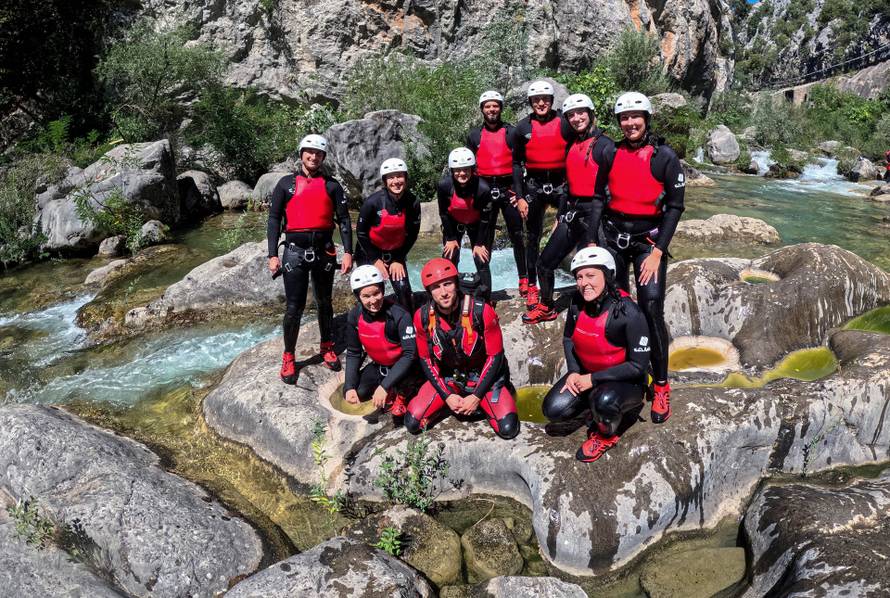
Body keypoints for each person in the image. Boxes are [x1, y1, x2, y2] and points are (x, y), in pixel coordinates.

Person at [589, 92, 685, 424]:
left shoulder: (665, 157)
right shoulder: (609, 153)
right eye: (624, 118)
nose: (630, 123)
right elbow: (598, 200)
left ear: (646, 119)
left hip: (648, 243)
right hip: (614, 239)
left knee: (651, 307)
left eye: (636, 117)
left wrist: (658, 253)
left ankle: (660, 384)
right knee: (616, 307)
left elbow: (675, 207)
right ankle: (625, 370)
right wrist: (591, 243)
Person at [542, 247, 651, 462]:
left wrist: (591, 379)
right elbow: (568, 339)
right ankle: (596, 405)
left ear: (608, 275)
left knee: (604, 401)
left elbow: (637, 367)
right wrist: (574, 371)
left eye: (591, 275)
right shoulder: (576, 302)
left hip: (627, 381)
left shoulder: (628, 312)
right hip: (587, 373)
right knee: (553, 410)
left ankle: (606, 434)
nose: (584, 283)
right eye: (580, 277)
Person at [267, 134, 352, 382]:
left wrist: (348, 252)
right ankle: (289, 356)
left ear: (323, 157)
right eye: (309, 152)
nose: (313, 157)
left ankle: (327, 346)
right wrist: (273, 255)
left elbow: (344, 220)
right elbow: (274, 220)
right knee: (294, 308)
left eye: (318, 153)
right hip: (294, 252)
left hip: (324, 250)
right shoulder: (286, 184)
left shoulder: (332, 186)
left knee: (325, 302)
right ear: (302, 153)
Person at [523, 93, 615, 324]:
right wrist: (561, 216)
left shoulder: (605, 145)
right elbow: (567, 186)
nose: (576, 118)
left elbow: (607, 193)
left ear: (591, 114)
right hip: (573, 213)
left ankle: (605, 313)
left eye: (581, 112)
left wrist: (594, 233)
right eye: (571, 115)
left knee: (593, 270)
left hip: (596, 215)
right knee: (544, 263)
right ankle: (547, 306)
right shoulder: (571, 144)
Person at [405, 258, 519, 439]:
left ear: (456, 284)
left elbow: (495, 356)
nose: (443, 292)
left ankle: (498, 395)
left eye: (447, 284)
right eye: (436, 287)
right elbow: (426, 359)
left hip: (483, 379)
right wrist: (447, 396)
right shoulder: (423, 317)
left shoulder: (482, 311)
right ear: (429, 292)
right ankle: (453, 401)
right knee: (413, 422)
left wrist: (476, 397)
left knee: (508, 428)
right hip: (450, 378)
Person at [511, 80, 574, 311]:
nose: (541, 103)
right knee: (533, 236)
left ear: (551, 101)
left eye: (545, 99)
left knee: (569, 227)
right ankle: (532, 285)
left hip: (560, 185)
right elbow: (516, 164)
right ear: (530, 102)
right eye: (536, 100)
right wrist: (519, 196)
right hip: (535, 186)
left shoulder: (564, 124)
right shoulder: (521, 128)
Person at [466, 91, 527, 294]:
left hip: (507, 187)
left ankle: (524, 278)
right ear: (482, 109)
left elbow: (518, 165)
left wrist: (519, 195)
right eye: (487, 106)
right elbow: (470, 169)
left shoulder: (512, 132)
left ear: (500, 108)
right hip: (484, 189)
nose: (492, 109)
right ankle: (484, 280)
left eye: (495, 106)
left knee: (517, 234)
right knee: (484, 238)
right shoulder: (474, 135)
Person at [343, 265, 422, 417]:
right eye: (366, 296)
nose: (373, 301)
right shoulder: (354, 317)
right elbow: (353, 353)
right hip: (380, 366)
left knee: (403, 389)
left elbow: (410, 354)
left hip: (407, 367)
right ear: (358, 296)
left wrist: (384, 387)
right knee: (360, 393)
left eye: (376, 293)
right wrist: (349, 386)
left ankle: (403, 393)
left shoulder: (399, 315)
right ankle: (390, 387)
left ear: (383, 290)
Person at [355, 158, 421, 310]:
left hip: (396, 253)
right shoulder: (372, 202)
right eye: (391, 177)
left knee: (404, 293)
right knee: (371, 293)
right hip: (368, 253)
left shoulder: (413, 202)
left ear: (406, 178)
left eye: (399, 176)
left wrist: (398, 258)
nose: (396, 181)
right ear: (385, 181)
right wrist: (375, 260)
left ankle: (406, 327)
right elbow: (361, 233)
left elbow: (412, 234)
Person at [437, 148, 494, 293]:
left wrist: (480, 243)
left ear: (472, 169)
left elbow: (485, 219)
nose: (462, 173)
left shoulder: (483, 189)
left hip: (477, 224)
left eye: (465, 169)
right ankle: (452, 294)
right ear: (452, 170)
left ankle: (487, 299)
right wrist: (450, 238)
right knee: (450, 257)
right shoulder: (444, 186)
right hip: (454, 224)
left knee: (481, 260)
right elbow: (443, 213)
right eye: (457, 170)